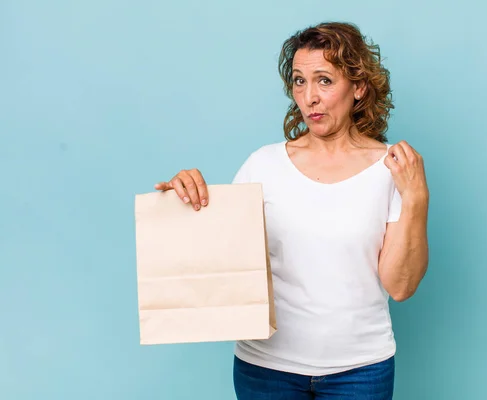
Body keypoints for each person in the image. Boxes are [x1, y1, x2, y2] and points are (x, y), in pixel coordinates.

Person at [155, 21, 429, 400]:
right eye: (300, 81)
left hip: (361, 370)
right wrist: (181, 199)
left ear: (359, 87)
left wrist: (416, 199)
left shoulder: (392, 169)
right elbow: (218, 256)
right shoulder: (262, 165)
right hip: (266, 369)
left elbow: (401, 285)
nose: (309, 97)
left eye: (324, 80)